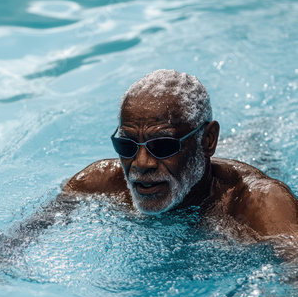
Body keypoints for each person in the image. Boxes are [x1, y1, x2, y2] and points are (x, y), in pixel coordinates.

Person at [63, 69, 298, 256]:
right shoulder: (98, 183)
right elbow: (30, 233)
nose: (141, 164)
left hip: (239, 163)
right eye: (128, 146)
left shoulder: (257, 203)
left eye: (163, 146)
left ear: (208, 140)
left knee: (252, 144)